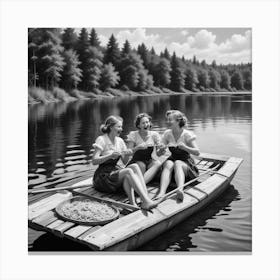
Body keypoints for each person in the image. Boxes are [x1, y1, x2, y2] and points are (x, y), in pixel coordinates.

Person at [92, 115, 159, 210]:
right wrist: (110, 156)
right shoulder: (102, 139)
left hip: (113, 172)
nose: (121, 129)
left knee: (134, 166)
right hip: (102, 177)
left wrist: (130, 152)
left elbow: (124, 161)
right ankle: (145, 200)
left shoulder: (120, 141)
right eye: (119, 126)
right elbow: (94, 161)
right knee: (128, 171)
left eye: (121, 127)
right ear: (111, 127)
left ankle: (141, 201)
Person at [156, 110, 200, 199]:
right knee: (168, 163)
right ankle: (161, 192)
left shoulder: (187, 134)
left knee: (178, 163)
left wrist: (185, 147)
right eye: (167, 120)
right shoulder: (167, 133)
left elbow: (197, 152)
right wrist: (161, 150)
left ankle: (180, 189)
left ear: (178, 121)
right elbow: (158, 154)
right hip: (172, 162)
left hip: (186, 163)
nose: (168, 122)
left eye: (170, 120)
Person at [126, 113, 165, 184]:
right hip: (137, 160)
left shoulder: (154, 135)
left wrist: (162, 149)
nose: (146, 124)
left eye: (147, 122)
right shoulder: (133, 135)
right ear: (138, 125)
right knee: (142, 165)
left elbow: (158, 154)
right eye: (143, 123)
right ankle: (141, 185)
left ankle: (141, 184)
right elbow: (128, 152)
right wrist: (137, 148)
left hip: (149, 161)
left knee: (158, 163)